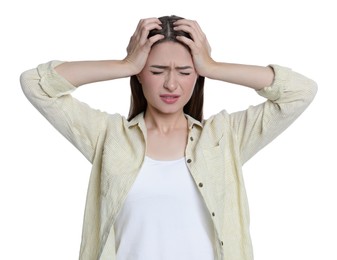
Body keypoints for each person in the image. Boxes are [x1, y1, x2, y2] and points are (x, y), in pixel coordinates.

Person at [20, 15, 317, 260]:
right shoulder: (108, 137)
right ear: (140, 74)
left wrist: (212, 66)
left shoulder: (224, 138)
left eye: (186, 72)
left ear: (197, 76)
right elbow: (35, 84)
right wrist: (125, 64)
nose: (171, 84)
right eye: (157, 70)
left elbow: (300, 91)